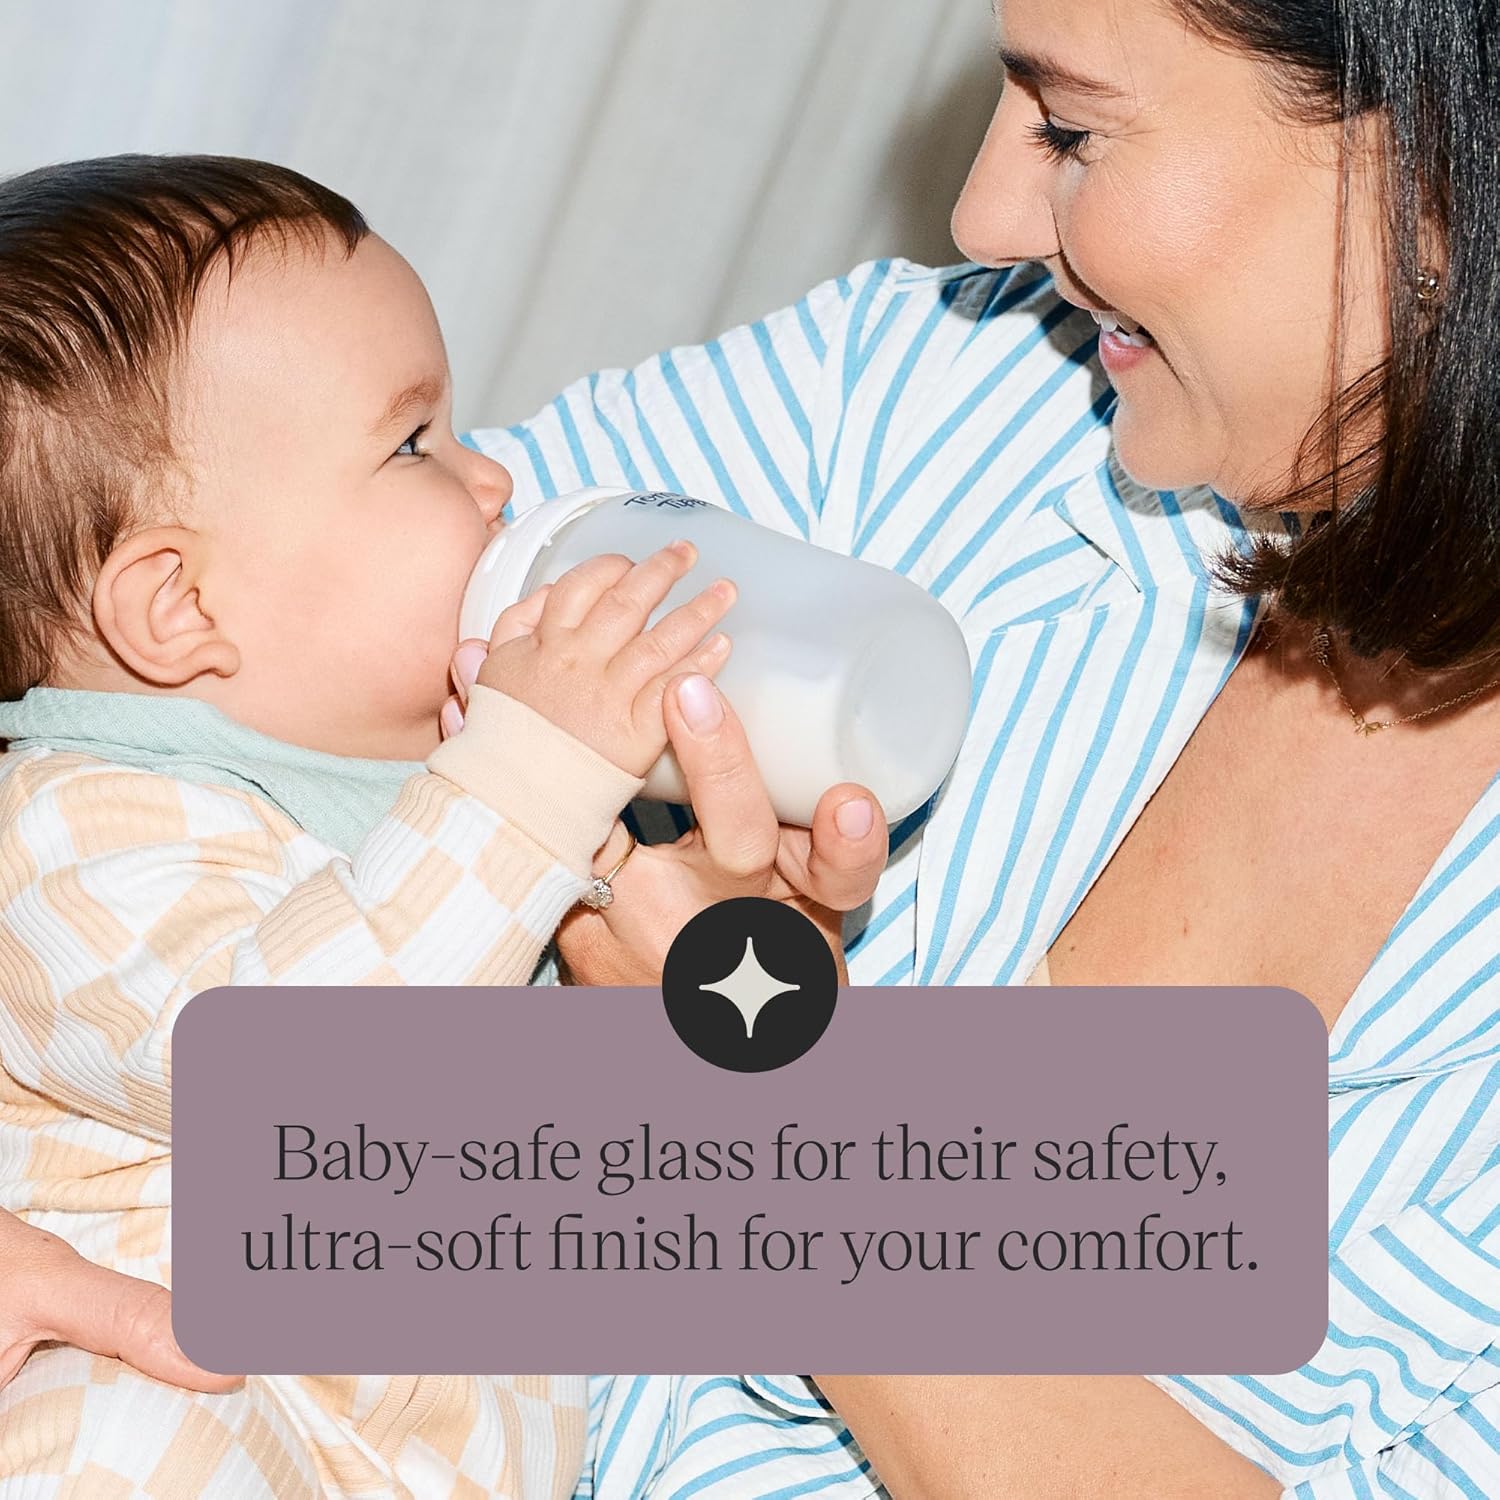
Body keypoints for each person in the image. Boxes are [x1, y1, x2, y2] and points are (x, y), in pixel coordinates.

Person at [7, 0, 1499, 1493]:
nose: (983, 215)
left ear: (1438, 160)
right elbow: (136, 601)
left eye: (1075, 126)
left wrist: (755, 1085)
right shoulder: (950, 389)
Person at [0, 154, 880, 1498]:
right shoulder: (66, 833)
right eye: (415, 443)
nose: (495, 480)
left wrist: (732, 967)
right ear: (178, 607)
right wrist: (533, 773)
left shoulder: (464, 822)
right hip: (167, 1427)